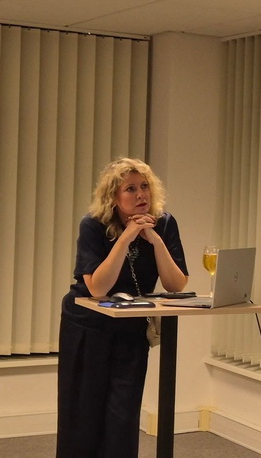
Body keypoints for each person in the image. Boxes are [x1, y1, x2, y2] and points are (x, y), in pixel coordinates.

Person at [57, 157, 189, 458]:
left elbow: (176, 284)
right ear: (114, 197)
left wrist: (155, 241)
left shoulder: (164, 223)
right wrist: (126, 237)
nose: (141, 195)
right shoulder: (94, 225)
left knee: (123, 413)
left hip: (131, 325)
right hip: (88, 325)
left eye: (145, 186)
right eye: (130, 189)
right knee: (83, 412)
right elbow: (98, 288)